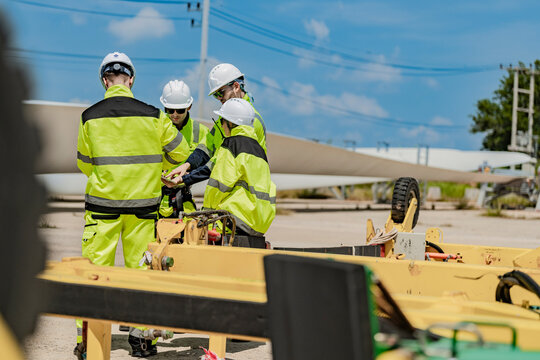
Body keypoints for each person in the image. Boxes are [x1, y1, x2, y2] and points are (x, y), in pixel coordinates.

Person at [76, 52, 189, 358]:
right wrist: (157, 169)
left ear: (104, 81)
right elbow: (182, 154)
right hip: (142, 209)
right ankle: (142, 342)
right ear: (131, 80)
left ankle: (90, 342)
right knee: (142, 273)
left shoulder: (89, 117)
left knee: (94, 273)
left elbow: (85, 164)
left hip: (101, 210)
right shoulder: (154, 116)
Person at [166, 63, 266, 187]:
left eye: (221, 93)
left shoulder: (249, 120)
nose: (219, 99)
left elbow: (221, 160)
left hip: (243, 196)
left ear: (236, 86)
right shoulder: (225, 117)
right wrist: (187, 165)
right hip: (229, 193)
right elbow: (208, 146)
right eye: (215, 95)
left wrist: (187, 178)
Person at [202, 97, 276, 238]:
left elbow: (218, 184)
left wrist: (206, 214)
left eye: (222, 121)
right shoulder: (259, 150)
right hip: (259, 224)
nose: (222, 126)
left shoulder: (232, 145)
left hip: (235, 220)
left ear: (230, 123)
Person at [158, 80, 209, 217]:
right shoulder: (156, 128)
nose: (174, 114)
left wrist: (190, 173)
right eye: (169, 110)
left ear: (189, 106)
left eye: (180, 110)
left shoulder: (201, 131)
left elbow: (208, 163)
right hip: (157, 197)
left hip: (183, 194)